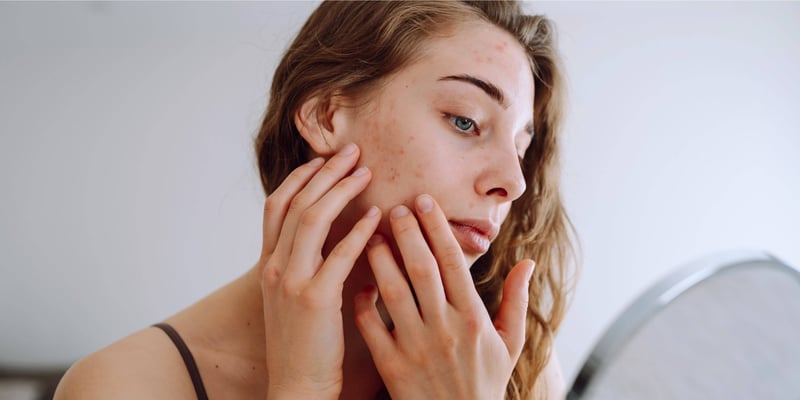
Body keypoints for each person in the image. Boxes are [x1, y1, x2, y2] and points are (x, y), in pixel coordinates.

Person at [54, 1, 576, 399]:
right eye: (465, 121)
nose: (513, 181)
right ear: (327, 117)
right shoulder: (125, 385)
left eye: (521, 147)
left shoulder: (517, 365)